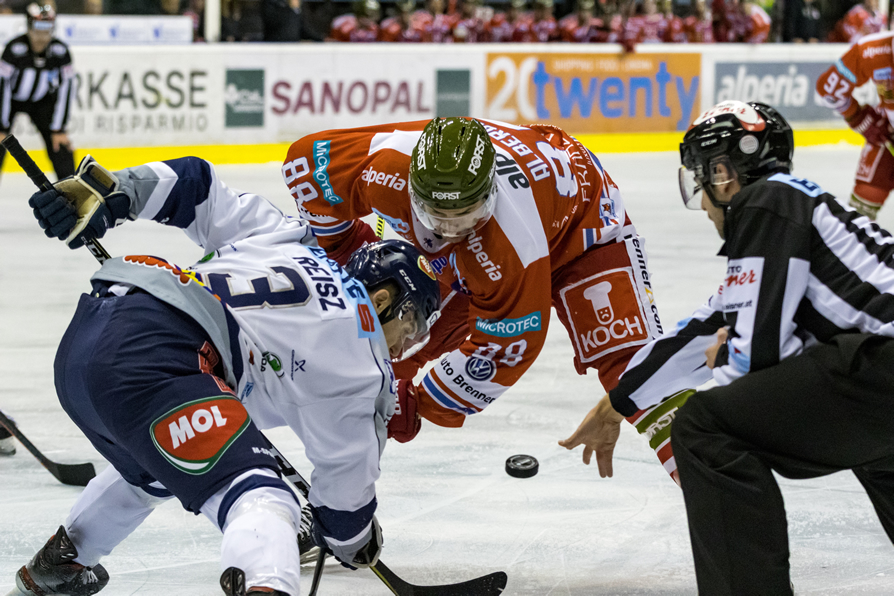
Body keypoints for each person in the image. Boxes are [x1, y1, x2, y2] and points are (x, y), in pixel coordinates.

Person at [10, 155, 441, 596]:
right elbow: (345, 493)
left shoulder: (289, 240)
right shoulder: (364, 356)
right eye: (410, 326)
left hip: (88, 344)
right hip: (160, 355)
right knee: (263, 498)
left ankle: (61, 563)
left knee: (158, 467)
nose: (403, 346)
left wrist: (112, 191)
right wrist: (352, 538)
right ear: (384, 299)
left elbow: (195, 186)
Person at [560, 99, 894, 594]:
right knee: (878, 446)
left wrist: (733, 353)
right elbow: (707, 326)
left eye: (700, 178)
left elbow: (754, 356)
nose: (701, 198)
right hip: (879, 383)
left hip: (881, 370)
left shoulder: (767, 202)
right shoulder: (802, 211)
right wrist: (617, 403)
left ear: (722, 173)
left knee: (705, 424)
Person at [282, 117, 688, 480]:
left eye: (465, 214)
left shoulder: (508, 243)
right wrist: (343, 250)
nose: (450, 228)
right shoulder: (385, 169)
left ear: (490, 192)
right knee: (381, 355)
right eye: (435, 213)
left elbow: (507, 344)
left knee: (635, 372)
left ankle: (716, 487)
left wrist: (420, 404)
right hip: (488, 243)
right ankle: (338, 499)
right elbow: (306, 165)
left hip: (583, 229)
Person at [816, 31, 894, 220]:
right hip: (889, 137)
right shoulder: (872, 50)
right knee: (857, 220)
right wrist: (858, 118)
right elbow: (828, 89)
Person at [0, 4, 75, 185]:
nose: (42, 37)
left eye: (47, 30)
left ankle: (75, 196)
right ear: (28, 26)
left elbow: (67, 88)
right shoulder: (14, 49)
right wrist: (1, 126)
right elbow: (2, 87)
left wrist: (59, 129)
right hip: (11, 101)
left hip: (42, 102)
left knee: (61, 147)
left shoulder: (60, 52)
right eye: (38, 30)